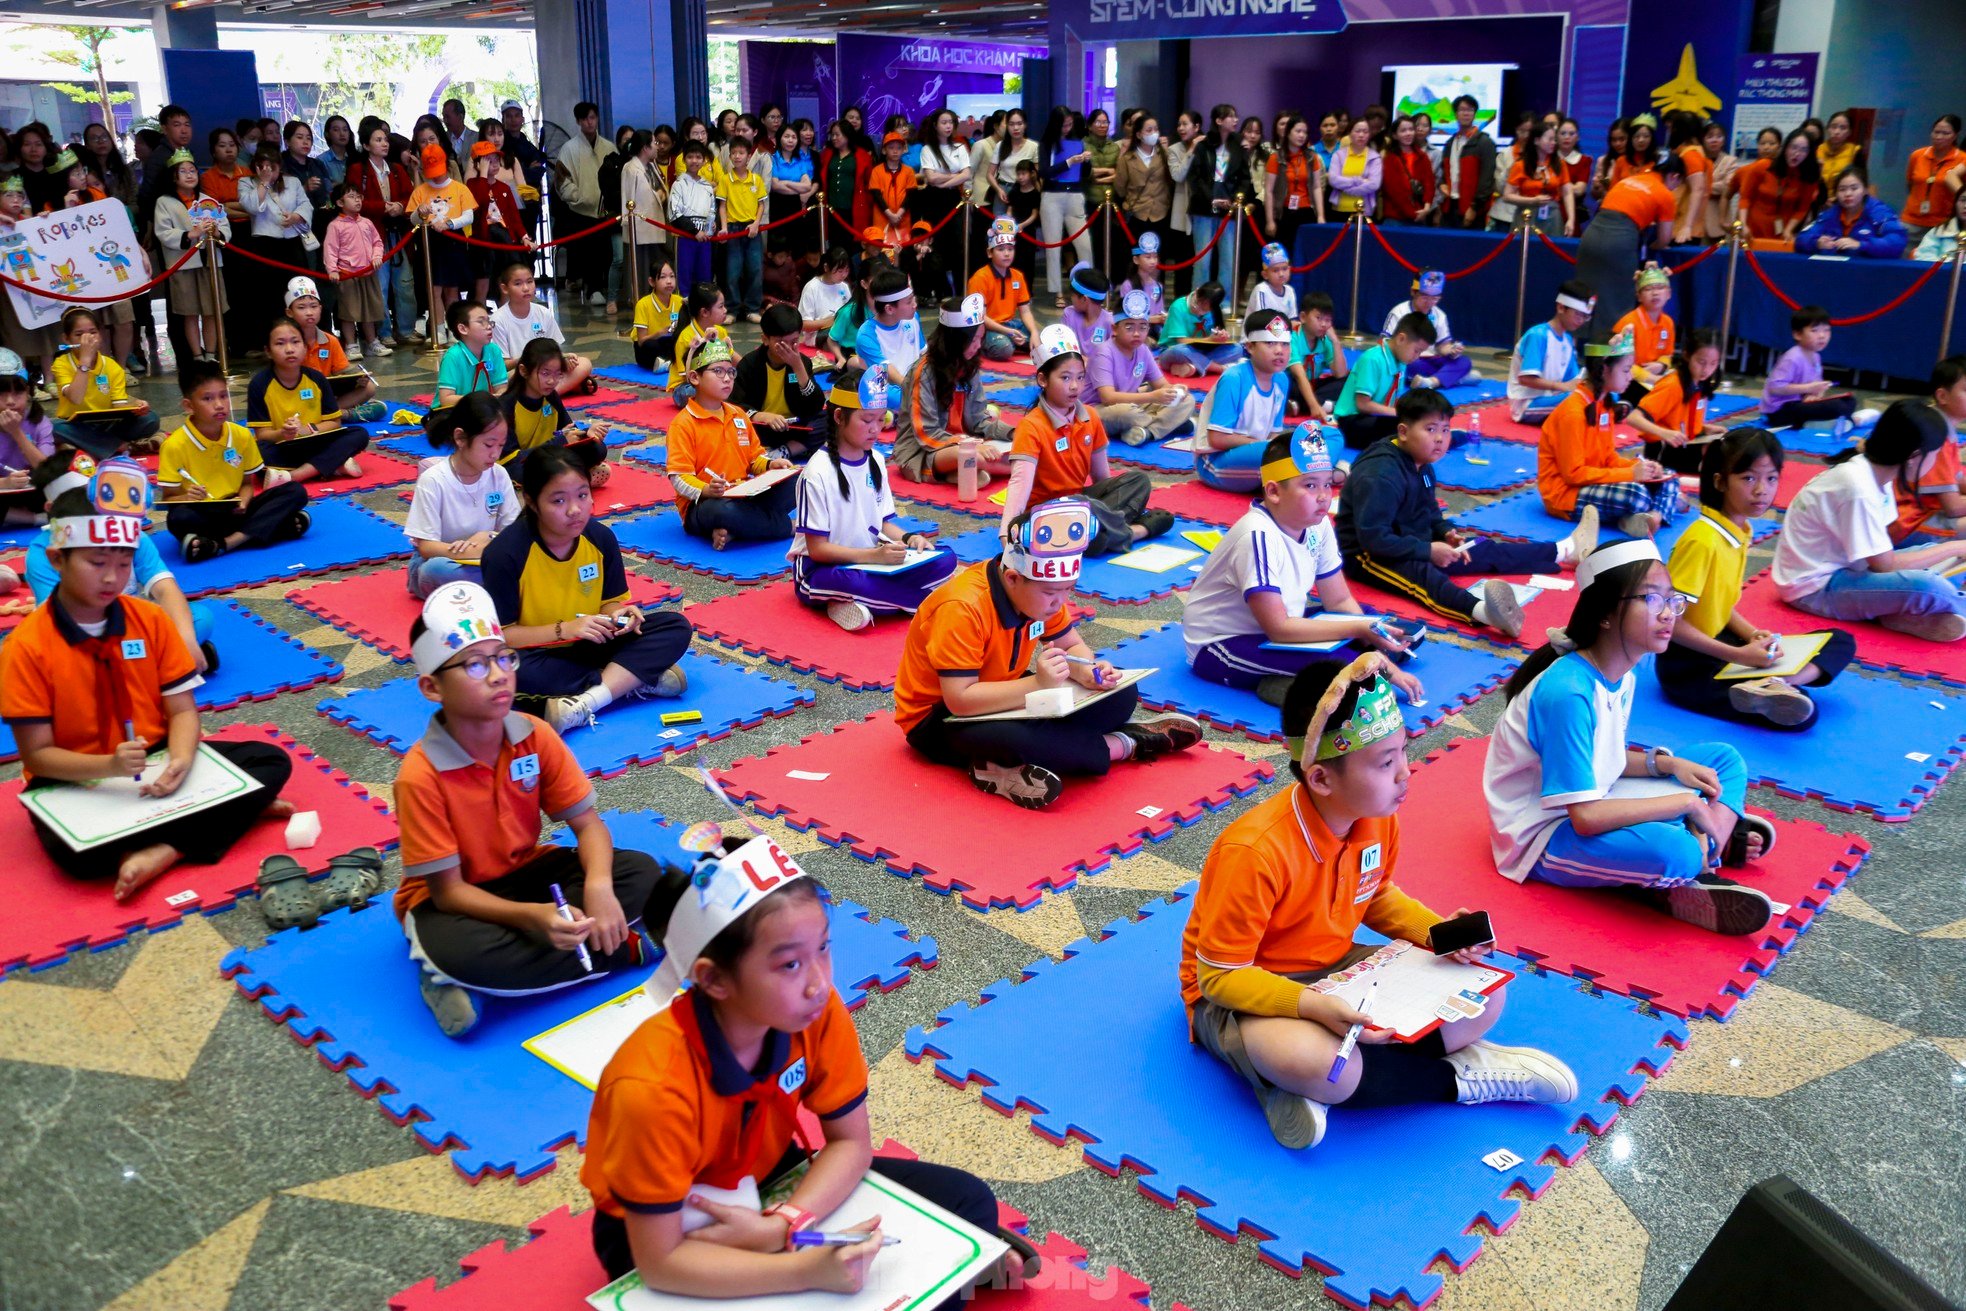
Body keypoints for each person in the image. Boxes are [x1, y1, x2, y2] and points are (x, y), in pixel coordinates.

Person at [580, 829, 1003, 1296]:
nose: (818, 983)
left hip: (775, 1180)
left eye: (822, 948)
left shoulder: (814, 1011)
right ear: (714, 980)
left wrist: (785, 1225)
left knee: (968, 1201)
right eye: (789, 965)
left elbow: (850, 1146)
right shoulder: (650, 1088)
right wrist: (804, 1271)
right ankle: (958, 1274)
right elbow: (661, 1264)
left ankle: (959, 1264)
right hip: (671, 1231)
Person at [1182, 651, 1577, 1149]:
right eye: (1385, 762)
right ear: (1321, 779)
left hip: (1336, 969)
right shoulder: (1254, 851)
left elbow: (1375, 897)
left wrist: (1438, 935)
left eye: (1404, 753)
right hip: (1241, 995)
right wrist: (1312, 1007)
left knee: (1485, 993)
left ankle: (1312, 1086)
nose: (1405, 774)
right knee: (1315, 1063)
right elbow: (1218, 976)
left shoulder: (1377, 815)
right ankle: (1458, 1078)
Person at [0, 459, 297, 899]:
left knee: (271, 760)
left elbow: (182, 713)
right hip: (75, 776)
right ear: (57, 559)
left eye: (124, 564)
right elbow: (40, 758)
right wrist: (110, 766)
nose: (111, 577)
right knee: (73, 855)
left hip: (154, 758)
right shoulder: (24, 648)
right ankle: (227, 815)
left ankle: (168, 846)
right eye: (97, 562)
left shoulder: (150, 621)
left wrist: (178, 760)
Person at [392, 580, 664, 1036]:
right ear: (432, 687)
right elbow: (448, 893)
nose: (499, 675)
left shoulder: (534, 734)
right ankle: (614, 948)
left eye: (503, 657)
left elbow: (589, 826)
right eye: (475, 665)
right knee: (459, 949)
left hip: (526, 873)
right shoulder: (419, 776)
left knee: (640, 872)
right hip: (452, 900)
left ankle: (533, 960)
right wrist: (534, 919)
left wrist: (597, 885)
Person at [1484, 539, 1776, 934]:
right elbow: (1584, 818)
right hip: (1543, 836)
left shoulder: (1624, 674)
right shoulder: (1568, 691)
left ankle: (1704, 847)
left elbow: (1605, 758)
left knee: (1722, 759)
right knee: (1674, 851)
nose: (1669, 614)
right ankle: (1701, 851)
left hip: (1594, 798)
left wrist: (1668, 765)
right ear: (1605, 613)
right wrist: (1685, 803)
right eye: (1652, 600)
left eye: (1673, 601)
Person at [895, 498, 1201, 809]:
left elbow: (1071, 646)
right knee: (1027, 740)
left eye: (1068, 590)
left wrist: (1089, 672)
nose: (1060, 602)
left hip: (1005, 694)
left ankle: (1016, 764)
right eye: (1052, 593)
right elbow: (959, 700)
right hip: (938, 718)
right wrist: (1039, 685)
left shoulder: (1039, 593)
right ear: (1012, 578)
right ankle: (1126, 743)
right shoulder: (961, 608)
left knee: (1122, 694)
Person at [1184, 429, 1428, 703]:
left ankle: (1305, 675)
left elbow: (1338, 599)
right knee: (1344, 661)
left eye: (1327, 484)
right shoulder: (1256, 537)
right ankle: (1293, 686)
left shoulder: (1318, 523)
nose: (1324, 496)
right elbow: (1279, 629)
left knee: (1369, 617)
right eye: (1310, 486)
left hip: (1280, 623)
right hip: (1222, 644)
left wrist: (1369, 632)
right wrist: (1373, 650)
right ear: (1274, 491)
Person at [1341, 390, 1597, 639]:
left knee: (1482, 549)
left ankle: (1566, 549)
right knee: (1424, 578)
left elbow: (1430, 514)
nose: (1440, 438)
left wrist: (1445, 533)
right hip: (1368, 555)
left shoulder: (1423, 465)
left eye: (1445, 429)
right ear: (1404, 432)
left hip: (1410, 540)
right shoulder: (1380, 474)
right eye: (1430, 430)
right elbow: (1374, 539)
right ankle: (1486, 613)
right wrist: (1429, 551)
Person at [483, 442, 692, 733]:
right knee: (498, 670)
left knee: (675, 625)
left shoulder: (600, 538)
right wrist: (566, 629)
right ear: (531, 501)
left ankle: (586, 701)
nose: (575, 510)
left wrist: (620, 616)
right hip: (537, 652)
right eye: (558, 501)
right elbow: (504, 636)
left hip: (592, 643)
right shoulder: (504, 554)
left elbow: (610, 603)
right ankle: (629, 679)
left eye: (583, 495)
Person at [1658, 427, 1856, 728]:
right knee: (1805, 716)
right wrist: (1739, 653)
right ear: (1720, 482)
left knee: (1840, 641)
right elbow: (1668, 622)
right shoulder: (1703, 540)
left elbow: (1717, 605)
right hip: (1688, 666)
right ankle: (1773, 686)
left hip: (1721, 642)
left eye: (1771, 478)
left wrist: (1751, 634)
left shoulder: (1740, 530)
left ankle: (1774, 683)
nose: (1761, 490)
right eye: (1748, 478)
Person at [1773, 401, 1966, 642]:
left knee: (1943, 557)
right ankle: (1931, 607)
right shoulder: (1859, 488)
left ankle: (1899, 613)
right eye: (1935, 456)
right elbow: (1884, 565)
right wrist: (1955, 546)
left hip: (1852, 570)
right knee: (1929, 585)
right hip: (1815, 589)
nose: (1935, 463)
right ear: (1914, 457)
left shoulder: (1877, 474)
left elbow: (1883, 553)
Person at [791, 367, 955, 632]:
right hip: (820, 570)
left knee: (945, 558)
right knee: (855, 583)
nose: (875, 429)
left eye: (880, 420)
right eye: (867, 420)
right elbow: (818, 550)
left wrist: (910, 539)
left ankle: (864, 603)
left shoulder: (876, 460)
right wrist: (875, 557)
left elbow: (884, 523)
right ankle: (930, 602)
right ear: (838, 417)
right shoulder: (816, 473)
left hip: (869, 562)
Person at [24, 448, 217, 668]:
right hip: (79, 637)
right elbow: (57, 623)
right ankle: (163, 664)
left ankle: (156, 662)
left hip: (133, 624)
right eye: (96, 562)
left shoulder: (128, 531)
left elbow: (165, 587)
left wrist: (186, 638)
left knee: (199, 617)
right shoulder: (43, 553)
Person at [1000, 325, 1170, 554]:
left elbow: (1102, 479)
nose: (1074, 386)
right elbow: (1020, 483)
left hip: (1081, 507)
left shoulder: (1090, 416)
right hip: (1043, 514)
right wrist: (1005, 532)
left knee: (1138, 480)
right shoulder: (1031, 426)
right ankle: (1137, 531)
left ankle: (1097, 532)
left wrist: (1108, 502)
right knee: (1081, 508)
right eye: (1065, 377)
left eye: (1080, 377)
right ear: (1042, 379)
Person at [155, 359, 311, 562]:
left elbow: (247, 484)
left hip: (237, 509)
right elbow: (169, 500)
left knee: (295, 491)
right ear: (188, 405)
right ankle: (273, 528)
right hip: (204, 513)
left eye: (223, 396)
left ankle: (223, 543)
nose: (219, 405)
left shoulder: (241, 435)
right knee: (178, 518)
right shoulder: (174, 445)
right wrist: (188, 496)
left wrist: (245, 500)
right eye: (207, 399)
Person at [1537, 327, 1679, 539]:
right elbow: (1573, 474)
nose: (1630, 377)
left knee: (1668, 477)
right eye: (1626, 370)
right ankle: (1656, 508)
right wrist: (1632, 475)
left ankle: (1651, 515)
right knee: (1636, 494)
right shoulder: (1573, 413)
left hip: (1594, 482)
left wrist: (1641, 468)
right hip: (1565, 494)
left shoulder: (1604, 405)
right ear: (1604, 369)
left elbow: (1608, 458)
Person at [665, 337, 798, 549]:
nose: (727, 378)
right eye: (718, 371)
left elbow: (755, 457)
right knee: (723, 511)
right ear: (694, 377)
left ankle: (739, 528)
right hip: (705, 504)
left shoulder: (738, 414)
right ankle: (786, 527)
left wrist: (771, 465)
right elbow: (679, 478)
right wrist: (707, 490)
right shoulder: (683, 424)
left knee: (799, 480)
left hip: (744, 494)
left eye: (730, 372)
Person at [893, 295, 1017, 486]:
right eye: (973, 340)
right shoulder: (924, 372)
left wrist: (1014, 433)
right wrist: (972, 445)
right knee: (976, 457)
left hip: (964, 443)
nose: (978, 346)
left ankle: (961, 473)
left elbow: (979, 421)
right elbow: (927, 433)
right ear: (954, 340)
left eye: (980, 339)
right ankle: (1022, 469)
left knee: (1023, 445)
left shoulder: (969, 365)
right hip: (922, 451)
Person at [406, 393, 519, 597]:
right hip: (438, 560)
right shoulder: (433, 480)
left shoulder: (499, 474)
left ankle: (495, 586)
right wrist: (462, 551)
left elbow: (514, 531)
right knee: (438, 570)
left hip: (485, 556)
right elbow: (425, 547)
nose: (496, 454)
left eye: (501, 445)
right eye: (488, 445)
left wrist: (489, 537)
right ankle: (504, 587)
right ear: (460, 438)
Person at [245, 318, 370, 485]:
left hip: (315, 440)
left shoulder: (316, 379)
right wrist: (283, 433)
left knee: (359, 434)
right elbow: (262, 435)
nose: (289, 349)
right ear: (268, 351)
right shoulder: (259, 384)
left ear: (305, 347)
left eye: (295, 342)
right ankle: (332, 465)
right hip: (282, 445)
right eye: (280, 344)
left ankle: (294, 476)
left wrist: (307, 429)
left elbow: (334, 422)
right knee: (256, 455)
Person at [1575, 155, 1684, 341]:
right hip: (1620, 241)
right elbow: (1664, 239)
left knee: (1582, 297)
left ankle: (1571, 354)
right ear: (1674, 176)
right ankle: (1607, 361)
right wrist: (1652, 245)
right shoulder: (1665, 194)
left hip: (1591, 236)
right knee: (1615, 303)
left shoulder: (1629, 180)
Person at [1195, 310, 1293, 491]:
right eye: (1270, 343)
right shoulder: (1235, 378)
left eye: (1285, 344)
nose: (1279, 350)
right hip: (1217, 462)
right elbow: (1216, 438)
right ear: (1250, 347)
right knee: (1282, 453)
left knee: (1325, 435)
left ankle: (1296, 475)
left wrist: (1279, 445)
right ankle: (1307, 474)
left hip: (1261, 453)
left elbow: (1274, 433)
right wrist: (1270, 447)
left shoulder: (1281, 379)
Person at [150, 149, 229, 366]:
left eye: (192, 170)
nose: (189, 175)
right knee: (190, 312)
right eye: (182, 171)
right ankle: (196, 355)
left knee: (212, 310)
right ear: (173, 176)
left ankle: (211, 354)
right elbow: (163, 232)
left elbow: (225, 228)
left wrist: (216, 231)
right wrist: (191, 234)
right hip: (182, 263)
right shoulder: (164, 202)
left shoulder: (208, 201)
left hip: (210, 261)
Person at [1090, 290, 1197, 449]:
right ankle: (1170, 425)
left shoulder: (1143, 350)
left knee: (1188, 401)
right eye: (1129, 327)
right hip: (1099, 409)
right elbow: (1107, 397)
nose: (1136, 333)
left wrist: (1174, 390)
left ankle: (1147, 433)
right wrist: (1153, 396)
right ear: (1114, 329)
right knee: (1127, 413)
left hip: (1135, 404)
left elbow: (1161, 385)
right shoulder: (1103, 352)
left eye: (1143, 327)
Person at [49, 308, 158, 459]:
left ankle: (97, 445)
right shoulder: (61, 364)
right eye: (79, 334)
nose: (87, 339)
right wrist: (85, 360)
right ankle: (121, 446)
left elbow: (119, 404)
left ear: (100, 335)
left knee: (150, 419)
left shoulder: (111, 365)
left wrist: (136, 406)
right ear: (66, 339)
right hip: (76, 425)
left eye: (93, 332)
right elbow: (75, 398)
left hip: (109, 423)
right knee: (53, 428)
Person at [499, 339, 613, 481]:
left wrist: (587, 435)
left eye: (557, 374)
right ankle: (577, 476)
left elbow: (568, 430)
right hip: (524, 461)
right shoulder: (506, 406)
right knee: (516, 471)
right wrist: (558, 442)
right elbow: (508, 459)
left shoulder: (551, 396)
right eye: (545, 373)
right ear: (524, 371)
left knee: (597, 448)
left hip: (550, 455)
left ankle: (566, 477)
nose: (552, 381)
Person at [1759, 305, 1876, 435]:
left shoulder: (1815, 356)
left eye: (1826, 330)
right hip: (1780, 411)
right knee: (1837, 407)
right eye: (1814, 331)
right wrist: (1808, 389)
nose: (1822, 336)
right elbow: (1775, 387)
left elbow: (1815, 386)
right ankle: (1849, 421)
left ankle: (1835, 422)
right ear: (1798, 334)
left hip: (1799, 403)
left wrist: (1813, 395)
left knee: (1849, 400)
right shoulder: (1792, 357)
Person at [1628, 328, 1729, 476]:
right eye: (1701, 362)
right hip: (1663, 450)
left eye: (1713, 363)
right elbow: (1633, 418)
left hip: (1687, 444)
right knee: (1719, 467)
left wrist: (1704, 428)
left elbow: (1679, 419)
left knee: (1729, 451)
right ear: (1687, 355)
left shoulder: (1701, 383)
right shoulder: (1673, 385)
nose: (1706, 369)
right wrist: (1665, 433)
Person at [1333, 311, 1434, 453]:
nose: (1417, 357)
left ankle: (1429, 439)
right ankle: (1429, 441)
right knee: (1400, 427)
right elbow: (1362, 404)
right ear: (1401, 339)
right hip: (1351, 422)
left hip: (1375, 418)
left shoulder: (1401, 361)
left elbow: (1394, 401)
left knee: (1414, 419)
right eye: (1416, 351)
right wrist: (1399, 413)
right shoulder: (1373, 359)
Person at [732, 304, 825, 457]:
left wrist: (798, 368)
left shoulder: (802, 363)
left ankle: (784, 451)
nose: (788, 348)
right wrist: (760, 416)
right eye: (781, 342)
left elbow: (815, 406)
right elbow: (734, 405)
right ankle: (784, 450)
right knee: (732, 427)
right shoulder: (749, 364)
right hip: (761, 426)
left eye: (794, 341)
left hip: (793, 427)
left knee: (830, 420)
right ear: (765, 339)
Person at [491, 261, 593, 396]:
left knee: (584, 363)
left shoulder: (543, 312)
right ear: (505, 288)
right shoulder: (497, 320)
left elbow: (553, 350)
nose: (526, 288)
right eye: (518, 284)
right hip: (521, 371)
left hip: (546, 369)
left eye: (529, 281)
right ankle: (557, 390)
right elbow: (501, 367)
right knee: (504, 381)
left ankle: (544, 392)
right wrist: (526, 359)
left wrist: (565, 359)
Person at [283, 277, 379, 417]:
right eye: (301, 307)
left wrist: (357, 379)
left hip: (325, 394)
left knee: (368, 388)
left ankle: (329, 414)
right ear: (289, 313)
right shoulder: (287, 342)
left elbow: (343, 372)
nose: (309, 312)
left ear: (320, 309)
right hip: (297, 394)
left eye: (314, 306)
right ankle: (341, 415)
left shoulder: (330, 341)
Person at [557, 102, 618, 310]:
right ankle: (593, 289)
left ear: (597, 118)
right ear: (578, 121)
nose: (589, 122)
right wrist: (578, 196)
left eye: (592, 117)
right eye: (584, 119)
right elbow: (561, 181)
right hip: (581, 211)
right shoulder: (569, 149)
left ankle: (608, 290)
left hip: (607, 212)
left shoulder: (609, 147)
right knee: (588, 253)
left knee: (607, 253)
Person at [1508, 281, 1595, 424]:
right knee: (1577, 397)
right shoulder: (1538, 335)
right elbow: (1525, 379)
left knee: (1604, 392)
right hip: (1527, 404)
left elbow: (1573, 379)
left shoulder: (1567, 340)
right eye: (1578, 314)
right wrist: (1561, 387)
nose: (1581, 321)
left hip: (1553, 397)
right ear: (1561, 307)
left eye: (1585, 317)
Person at [408, 141, 475, 319]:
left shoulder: (460, 189)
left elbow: (469, 216)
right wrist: (419, 213)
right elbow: (412, 219)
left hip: (453, 241)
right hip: (430, 243)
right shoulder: (420, 191)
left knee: (452, 289)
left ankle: (454, 331)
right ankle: (438, 331)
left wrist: (450, 223)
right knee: (434, 290)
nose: (435, 177)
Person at [323, 181, 389, 360]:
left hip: (368, 273)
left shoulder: (366, 222)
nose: (357, 200)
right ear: (339, 203)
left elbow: (377, 242)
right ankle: (351, 344)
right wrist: (333, 270)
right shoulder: (335, 225)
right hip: (348, 275)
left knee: (369, 311)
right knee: (349, 312)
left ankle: (371, 342)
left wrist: (376, 257)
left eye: (358, 196)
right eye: (351, 197)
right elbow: (330, 250)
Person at [1186, 105, 1249, 291]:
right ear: (1219, 121)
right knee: (1203, 260)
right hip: (1204, 208)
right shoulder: (1204, 145)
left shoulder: (1239, 144)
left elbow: (1245, 177)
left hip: (1229, 208)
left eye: (1236, 117)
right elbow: (1195, 177)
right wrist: (1211, 199)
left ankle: (1225, 301)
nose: (1235, 120)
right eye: (1231, 117)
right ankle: (1198, 297)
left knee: (1228, 258)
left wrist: (1237, 199)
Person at [1038, 108, 1094, 306]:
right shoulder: (1046, 144)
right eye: (1064, 125)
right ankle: (1057, 291)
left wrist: (1086, 161)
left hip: (1075, 195)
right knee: (1053, 247)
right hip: (1052, 195)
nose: (1067, 128)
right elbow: (1045, 172)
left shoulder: (1077, 141)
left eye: (1070, 124)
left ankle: (1087, 285)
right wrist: (1068, 162)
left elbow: (1086, 173)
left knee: (1084, 245)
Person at [1382, 270, 1471, 391]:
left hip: (1430, 360)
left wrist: (1452, 350)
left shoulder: (1439, 315)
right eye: (1424, 297)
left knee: (1464, 361)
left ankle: (1431, 381)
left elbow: (1442, 346)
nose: (1429, 302)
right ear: (1413, 292)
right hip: (1409, 360)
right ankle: (1453, 379)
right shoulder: (1399, 312)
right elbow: (1384, 342)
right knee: (1410, 365)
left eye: (1435, 298)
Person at [851, 266, 925, 412]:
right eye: (909, 302)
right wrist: (916, 393)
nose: (915, 305)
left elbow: (923, 354)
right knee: (890, 396)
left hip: (913, 384)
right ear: (890, 309)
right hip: (886, 386)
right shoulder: (867, 334)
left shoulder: (913, 319)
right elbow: (887, 372)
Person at [1794, 165, 1906, 258]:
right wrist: (1816, 243)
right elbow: (1801, 239)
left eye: (1854, 188)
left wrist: (1861, 245)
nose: (1848, 194)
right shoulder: (1830, 214)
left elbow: (1897, 242)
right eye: (1842, 189)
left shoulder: (1879, 212)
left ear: (1865, 190)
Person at [967, 219, 1037, 361]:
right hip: (987, 327)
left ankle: (1013, 341)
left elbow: (1025, 311)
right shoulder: (980, 278)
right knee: (1004, 349)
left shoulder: (1018, 276)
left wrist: (1034, 332)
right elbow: (980, 318)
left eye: (1010, 249)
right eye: (1000, 249)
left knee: (1041, 340)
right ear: (989, 253)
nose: (1007, 254)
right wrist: (1009, 333)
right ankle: (988, 344)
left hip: (1011, 323)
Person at [717, 135, 769, 323]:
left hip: (752, 229)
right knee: (732, 271)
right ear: (729, 156)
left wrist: (756, 224)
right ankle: (731, 309)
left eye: (741, 153)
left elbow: (761, 205)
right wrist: (724, 228)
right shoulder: (725, 180)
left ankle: (752, 308)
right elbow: (722, 205)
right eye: (734, 153)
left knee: (755, 269)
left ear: (748, 156)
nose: (737, 156)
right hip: (732, 229)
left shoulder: (756, 180)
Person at [1739, 130, 1821, 244]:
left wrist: (1789, 230)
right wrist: (1743, 224)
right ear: (1785, 148)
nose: (1797, 153)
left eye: (1803, 150)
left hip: (1781, 232)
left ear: (1809, 153)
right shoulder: (1762, 166)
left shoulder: (1808, 177)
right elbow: (1745, 198)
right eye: (1794, 147)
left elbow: (1802, 209)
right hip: (1751, 229)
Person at [1504, 120, 1576, 236]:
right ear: (1537, 141)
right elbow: (1507, 196)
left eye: (1555, 139)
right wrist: (1533, 200)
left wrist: (1571, 219)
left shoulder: (1559, 164)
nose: (1553, 143)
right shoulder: (1521, 165)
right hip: (1527, 213)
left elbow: (1568, 193)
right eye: (1549, 139)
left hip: (1553, 214)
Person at [1611, 266, 1675, 392]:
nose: (1655, 293)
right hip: (1628, 381)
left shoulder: (1668, 322)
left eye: (1660, 288)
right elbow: (1618, 364)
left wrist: (1662, 365)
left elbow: (1668, 353)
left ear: (1668, 294)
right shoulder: (1628, 323)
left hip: (1655, 376)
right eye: (1648, 289)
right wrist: (1652, 378)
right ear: (1639, 296)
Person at [1157, 281, 1240, 377]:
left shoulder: (1215, 310)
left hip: (1200, 352)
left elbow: (1215, 334)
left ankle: (1192, 368)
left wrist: (1221, 337)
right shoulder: (1178, 306)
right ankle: (1219, 369)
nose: (1199, 310)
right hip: (1175, 350)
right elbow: (1181, 341)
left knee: (1237, 348)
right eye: (1198, 303)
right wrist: (1208, 339)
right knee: (1180, 350)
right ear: (1196, 292)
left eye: (1205, 310)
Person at [435, 300, 508, 408]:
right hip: (451, 412)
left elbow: (502, 387)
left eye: (488, 321)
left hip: (482, 409)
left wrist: (499, 395)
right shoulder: (453, 356)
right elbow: (446, 399)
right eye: (481, 322)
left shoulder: (494, 351)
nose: (488, 326)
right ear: (463, 329)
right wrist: (480, 400)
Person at [1439, 96, 1497, 230]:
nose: (1466, 113)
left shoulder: (1484, 142)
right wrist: (1442, 183)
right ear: (1455, 114)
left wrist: (1474, 208)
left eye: (1470, 110)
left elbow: (1487, 179)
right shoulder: (1450, 142)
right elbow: (1445, 171)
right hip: (1449, 206)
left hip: (1472, 208)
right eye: (1462, 110)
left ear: (1475, 113)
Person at [1287, 293, 1349, 418]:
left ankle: (1299, 406)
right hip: (1295, 385)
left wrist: (1336, 342)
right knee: (1283, 381)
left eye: (1328, 320)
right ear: (1303, 317)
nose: (1324, 324)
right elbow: (1300, 376)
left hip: (1313, 385)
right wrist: (1314, 407)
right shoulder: (1293, 337)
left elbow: (1340, 374)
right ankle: (1323, 405)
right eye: (1319, 318)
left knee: (1349, 380)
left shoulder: (1325, 339)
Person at [1904, 114, 1964, 241]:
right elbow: (1910, 183)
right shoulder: (1918, 155)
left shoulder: (1962, 159)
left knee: (1935, 260)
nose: (1939, 137)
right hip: (1911, 220)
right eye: (1936, 132)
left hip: (1942, 223)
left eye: (1945, 133)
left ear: (1955, 135)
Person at [672, 281, 732, 405]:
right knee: (690, 393)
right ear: (704, 312)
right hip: (687, 384)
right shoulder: (686, 337)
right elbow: (688, 376)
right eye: (720, 306)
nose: (725, 310)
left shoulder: (721, 332)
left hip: (713, 379)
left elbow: (729, 361)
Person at [797, 246, 852, 360]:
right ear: (826, 267)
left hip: (841, 329)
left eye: (846, 270)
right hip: (819, 334)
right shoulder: (812, 287)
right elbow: (804, 325)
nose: (843, 275)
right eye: (839, 271)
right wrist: (831, 321)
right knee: (837, 338)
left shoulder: (844, 286)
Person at [1380, 115, 1435, 226]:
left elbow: (1429, 183)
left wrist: (1427, 207)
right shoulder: (1389, 158)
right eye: (1403, 131)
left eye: (1411, 129)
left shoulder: (1422, 156)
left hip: (1420, 214)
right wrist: (1413, 213)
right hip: (1395, 217)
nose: (1408, 133)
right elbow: (1394, 191)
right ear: (1395, 135)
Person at [631, 256, 683, 372]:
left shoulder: (679, 301)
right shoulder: (643, 304)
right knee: (650, 346)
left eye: (672, 276)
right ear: (652, 282)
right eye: (663, 277)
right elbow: (641, 341)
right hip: (649, 344)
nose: (669, 281)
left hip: (669, 342)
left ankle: (667, 363)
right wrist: (660, 333)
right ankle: (671, 363)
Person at [1117, 230, 1169, 327]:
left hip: (1155, 329)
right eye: (1148, 257)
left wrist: (1164, 317)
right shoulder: (1128, 285)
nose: (1153, 261)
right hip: (1135, 329)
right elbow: (1125, 316)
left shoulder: (1158, 286)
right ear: (1136, 260)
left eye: (1155, 257)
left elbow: (1160, 311)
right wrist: (1151, 319)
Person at [1914, 186, 1966, 262]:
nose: (1965, 206)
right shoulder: (1940, 230)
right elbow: (1923, 258)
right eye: (1962, 200)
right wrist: (1950, 264)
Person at [1247, 243, 1298, 321]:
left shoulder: (1290, 291)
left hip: (1282, 331)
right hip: (1259, 330)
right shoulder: (1261, 290)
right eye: (1275, 270)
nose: (1281, 274)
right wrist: (1285, 331)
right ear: (1265, 275)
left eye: (1284, 269)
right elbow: (1263, 321)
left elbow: (1292, 319)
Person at [1815, 110, 1862, 187]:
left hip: (1842, 196)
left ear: (1849, 132)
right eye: (1833, 127)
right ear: (1827, 129)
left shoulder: (1855, 151)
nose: (1837, 132)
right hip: (1818, 195)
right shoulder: (1818, 149)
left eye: (1843, 128)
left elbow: (1860, 182)